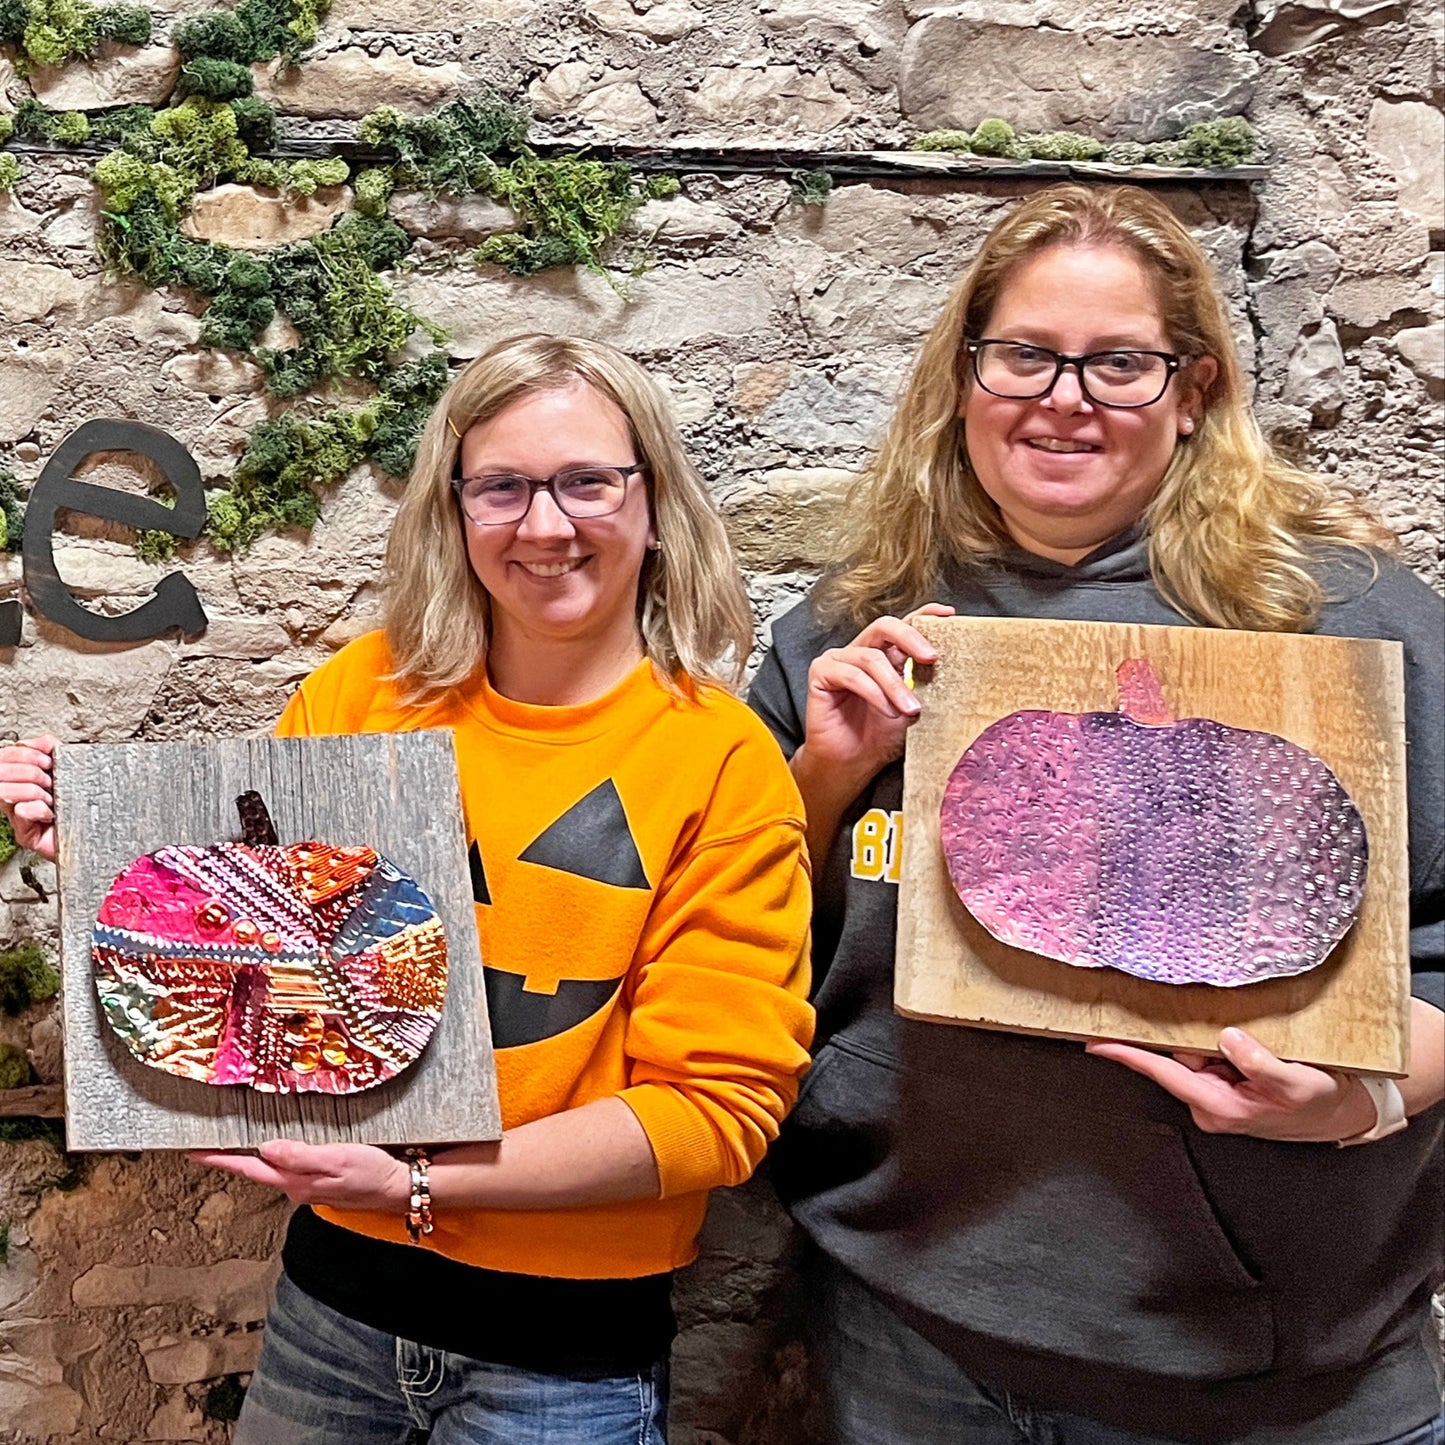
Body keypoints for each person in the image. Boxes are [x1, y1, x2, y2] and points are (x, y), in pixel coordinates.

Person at [1, 333, 814, 1445]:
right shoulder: (364, 689)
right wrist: (99, 855)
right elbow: (264, 941)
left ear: (653, 499)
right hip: (332, 1307)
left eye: (586, 479)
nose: (544, 523)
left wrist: (420, 1184)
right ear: (455, 505)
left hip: (566, 1353)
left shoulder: (720, 761)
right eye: (502, 486)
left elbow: (718, 1109)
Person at [748, 184, 1444, 1445]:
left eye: (1118, 363)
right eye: (1023, 354)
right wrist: (826, 776)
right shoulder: (853, 628)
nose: (1062, 398)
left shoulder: (1345, 620)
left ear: (1193, 391)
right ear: (963, 378)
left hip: (1273, 1363)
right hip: (913, 1318)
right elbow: (730, 935)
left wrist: (1362, 1100)